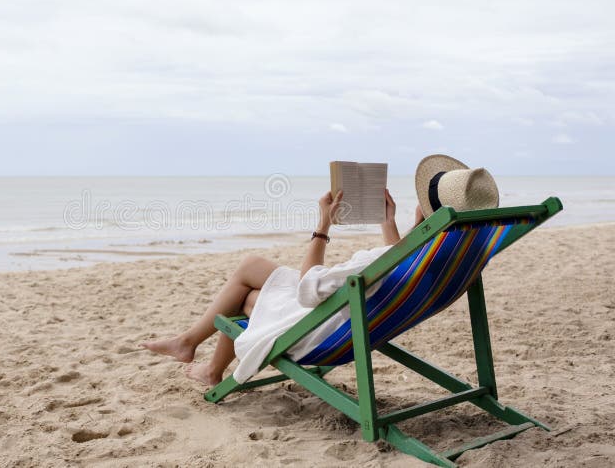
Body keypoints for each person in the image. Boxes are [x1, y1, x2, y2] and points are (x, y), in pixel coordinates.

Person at [141, 154, 498, 387]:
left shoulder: (399, 259)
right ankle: (197, 353)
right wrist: (390, 223)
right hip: (358, 313)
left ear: (425, 211)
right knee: (251, 271)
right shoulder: (455, 250)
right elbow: (398, 264)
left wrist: (323, 224)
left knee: (248, 289)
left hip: (330, 325)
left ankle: (197, 353)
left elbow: (309, 289)